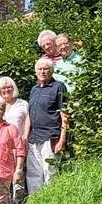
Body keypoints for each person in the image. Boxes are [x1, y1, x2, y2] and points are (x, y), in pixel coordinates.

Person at [26, 58, 69, 194]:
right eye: (40, 69)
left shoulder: (58, 87)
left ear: (51, 71)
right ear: (36, 71)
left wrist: (62, 139)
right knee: (33, 175)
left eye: (46, 69)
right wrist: (25, 136)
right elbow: (29, 115)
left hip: (51, 137)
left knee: (50, 173)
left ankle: (51, 203)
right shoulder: (34, 89)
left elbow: (65, 115)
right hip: (34, 139)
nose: (43, 72)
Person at [0, 77, 29, 204]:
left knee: (18, 175)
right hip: (2, 149)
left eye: (9, 87)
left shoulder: (22, 104)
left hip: (18, 146)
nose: (6, 90)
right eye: (3, 88)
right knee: (3, 178)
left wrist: (25, 135)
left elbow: (28, 121)